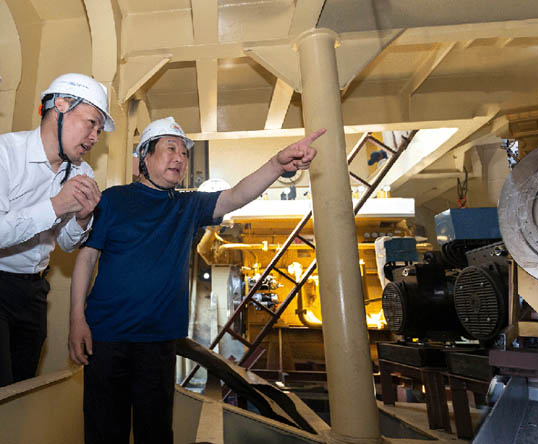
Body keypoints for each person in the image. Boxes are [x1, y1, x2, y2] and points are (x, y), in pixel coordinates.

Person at [68, 116, 324, 444]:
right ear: (145, 155)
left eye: (184, 153)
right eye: (170, 148)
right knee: (104, 433)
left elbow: (236, 195)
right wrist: (77, 319)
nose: (179, 158)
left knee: (155, 434)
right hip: (105, 337)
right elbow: (86, 257)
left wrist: (277, 164)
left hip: (159, 341)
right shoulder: (113, 200)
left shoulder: (188, 205)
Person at [0, 73, 113, 387]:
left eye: (99, 130)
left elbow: (65, 243)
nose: (94, 137)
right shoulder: (5, 153)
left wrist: (82, 220)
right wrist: (56, 206)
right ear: (60, 105)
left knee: (21, 388)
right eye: (91, 123)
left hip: (34, 292)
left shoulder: (82, 171)